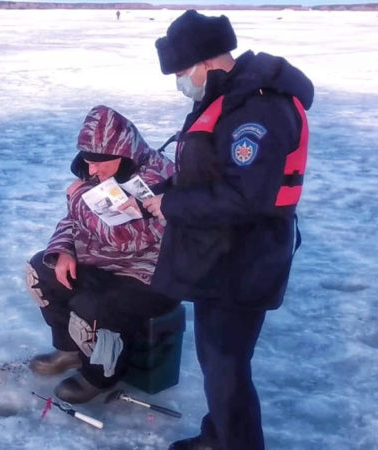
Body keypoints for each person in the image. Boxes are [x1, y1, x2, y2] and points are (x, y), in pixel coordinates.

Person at [145, 10, 314, 450]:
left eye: (182, 71)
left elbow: (246, 196)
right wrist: (162, 190)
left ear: (205, 62)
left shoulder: (258, 107)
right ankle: (219, 434)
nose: (180, 81)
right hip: (217, 255)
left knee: (227, 365)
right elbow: (210, 172)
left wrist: (172, 204)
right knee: (218, 362)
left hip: (245, 260)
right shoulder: (225, 98)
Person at [25, 105, 179, 403]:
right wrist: (63, 250)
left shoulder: (158, 178)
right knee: (41, 270)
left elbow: (125, 238)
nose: (92, 171)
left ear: (122, 153)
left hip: (148, 276)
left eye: (98, 164)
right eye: (88, 163)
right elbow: (71, 220)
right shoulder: (98, 172)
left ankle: (102, 375)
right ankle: (70, 350)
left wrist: (79, 200)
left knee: (92, 304)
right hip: (100, 266)